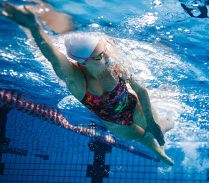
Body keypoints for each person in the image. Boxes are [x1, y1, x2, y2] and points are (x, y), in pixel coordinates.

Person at [0, 2, 174, 165]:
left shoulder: (110, 60)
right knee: (141, 137)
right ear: (83, 62)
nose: (106, 57)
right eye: (99, 56)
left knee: (158, 127)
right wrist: (33, 26)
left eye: (104, 51)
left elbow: (140, 89)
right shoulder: (76, 80)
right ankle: (158, 152)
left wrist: (152, 123)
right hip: (116, 124)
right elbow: (52, 55)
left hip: (134, 105)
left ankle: (166, 125)